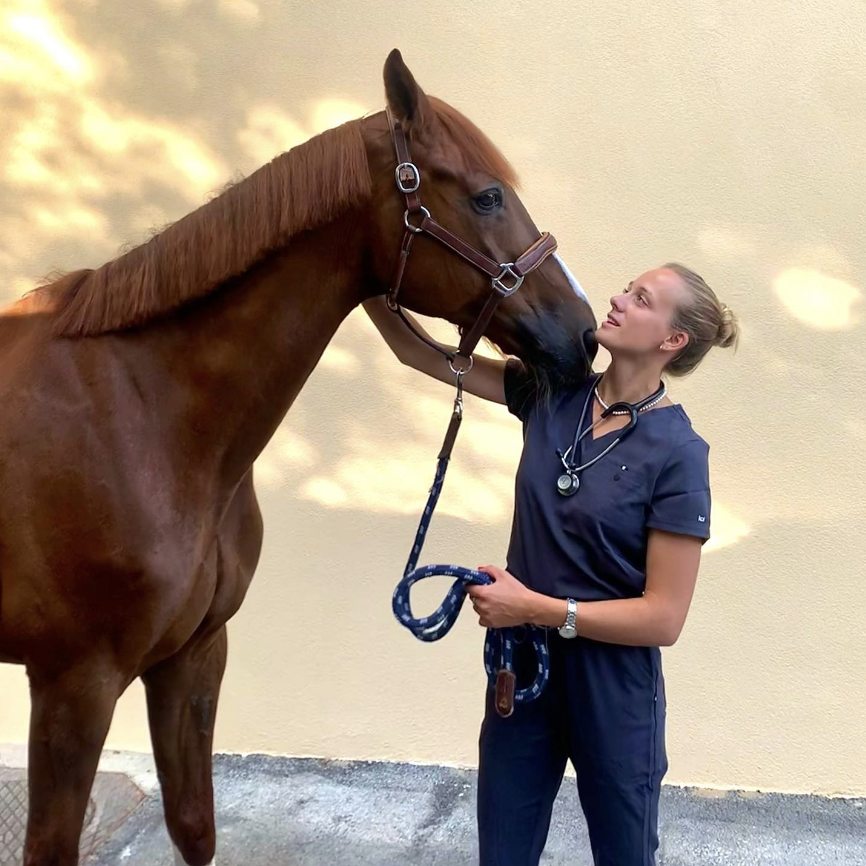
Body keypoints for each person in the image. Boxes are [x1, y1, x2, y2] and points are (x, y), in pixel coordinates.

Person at [362, 262, 739, 866]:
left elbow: (663, 618)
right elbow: (422, 355)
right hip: (522, 675)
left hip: (613, 691)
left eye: (640, 299)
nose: (616, 298)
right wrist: (367, 279)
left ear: (673, 341)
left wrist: (532, 607)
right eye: (626, 287)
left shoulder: (679, 453)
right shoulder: (551, 390)